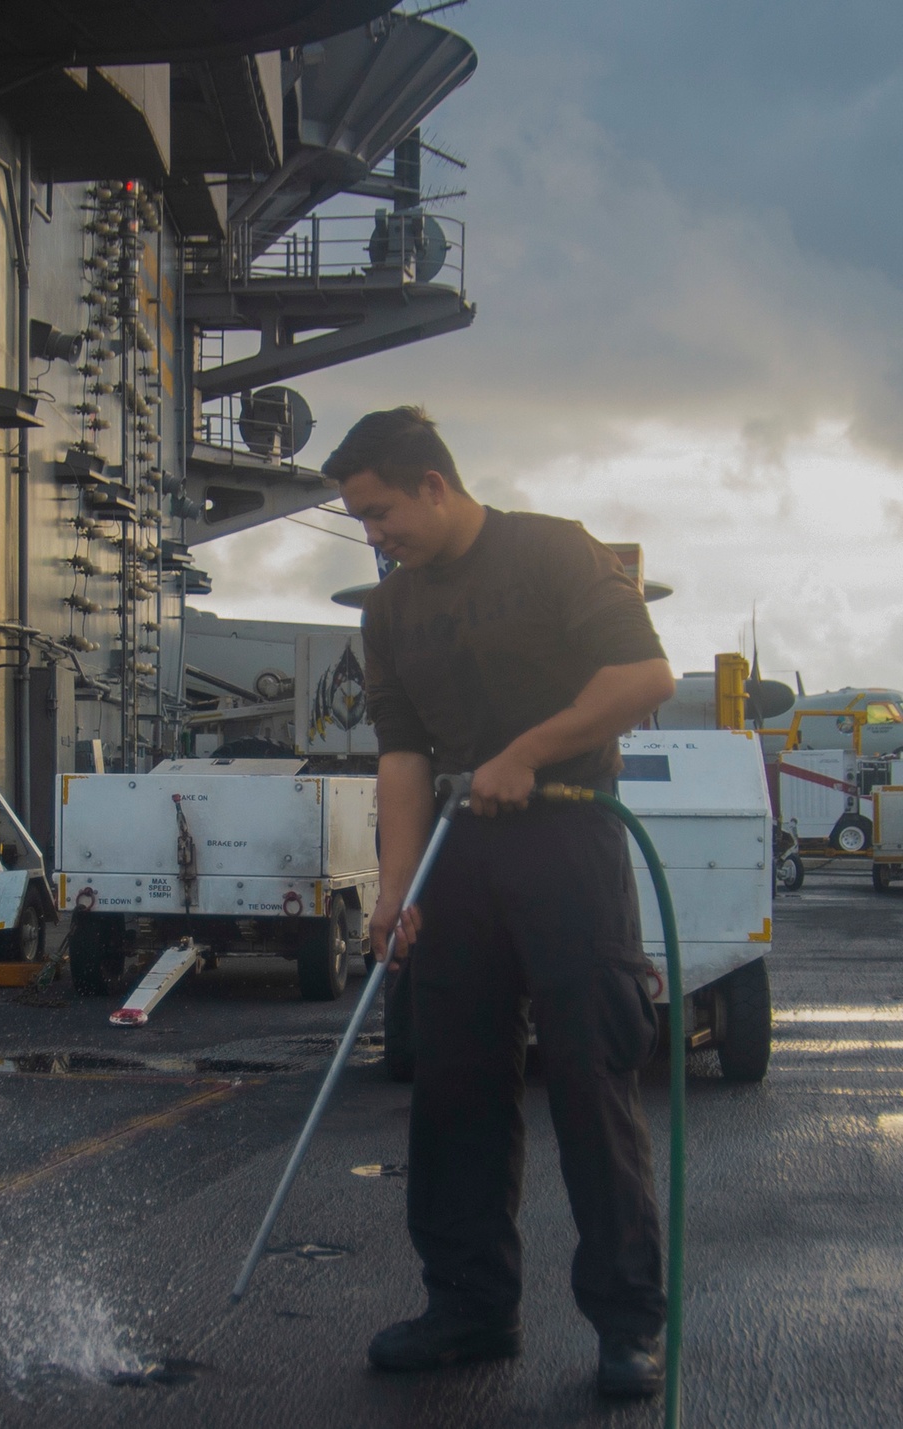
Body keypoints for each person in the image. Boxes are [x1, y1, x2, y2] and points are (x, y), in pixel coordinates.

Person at [326, 407, 677, 1399]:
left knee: (587, 1078)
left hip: (567, 835)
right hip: (456, 853)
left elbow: (644, 674)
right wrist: (395, 891)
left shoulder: (550, 552)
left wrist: (524, 751)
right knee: (453, 1088)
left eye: (379, 511)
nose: (372, 534)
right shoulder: (388, 611)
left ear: (432, 485)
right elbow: (399, 755)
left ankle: (625, 1325)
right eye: (359, 519)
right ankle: (468, 1309)